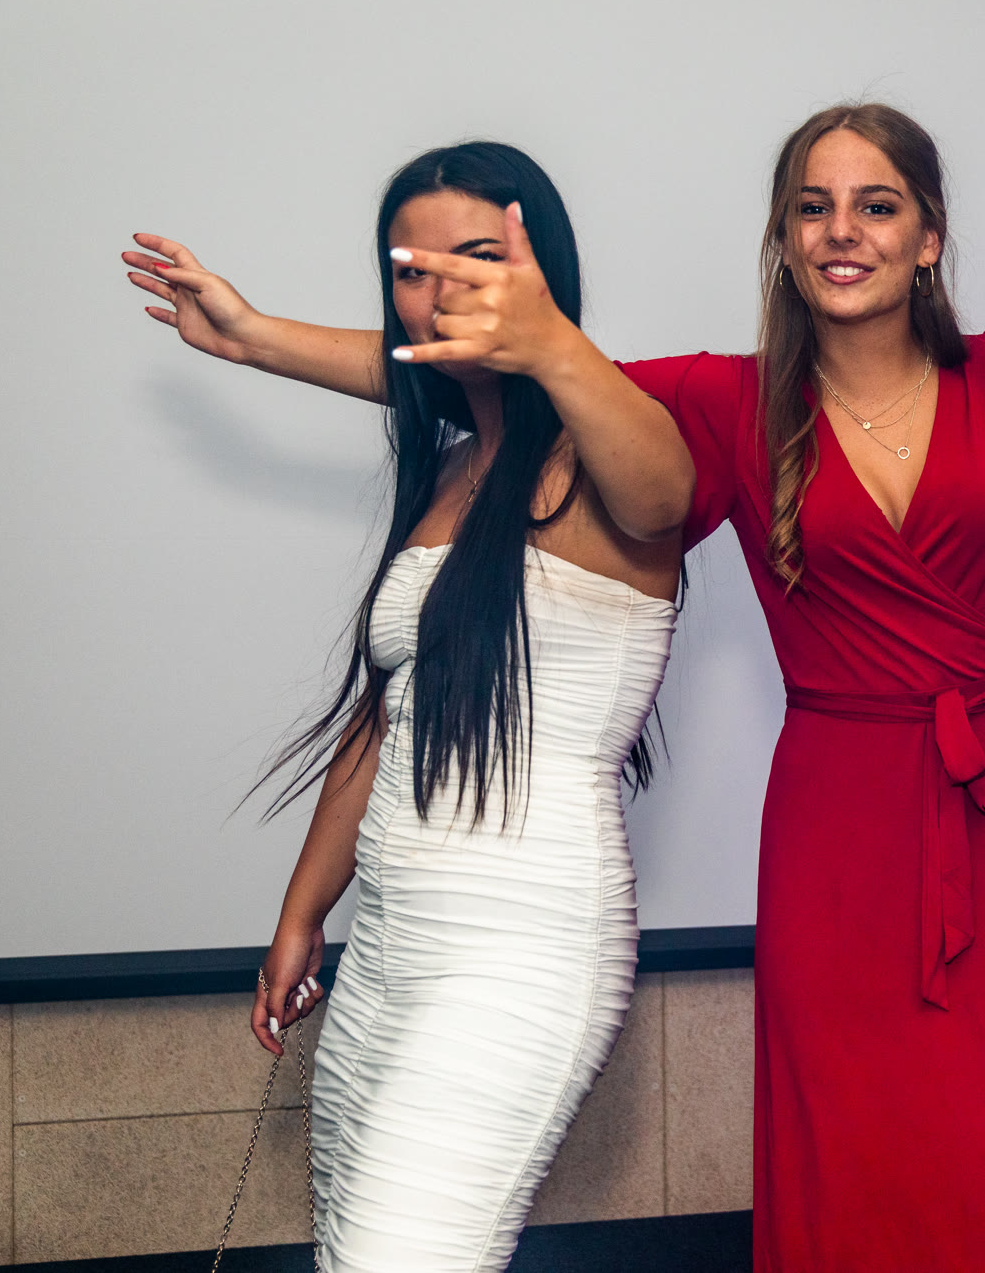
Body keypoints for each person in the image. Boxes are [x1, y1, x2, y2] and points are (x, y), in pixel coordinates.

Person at [123, 108, 985, 1272]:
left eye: (877, 205)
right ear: (784, 241)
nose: (844, 230)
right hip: (839, 823)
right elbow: (471, 367)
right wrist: (255, 338)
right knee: (861, 1138)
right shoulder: (728, 403)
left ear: (927, 237)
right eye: (812, 207)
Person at [128, 141, 695, 1270]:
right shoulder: (449, 470)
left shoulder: (606, 459)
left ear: (541, 268)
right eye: (411, 270)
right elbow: (390, 723)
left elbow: (665, 490)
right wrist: (303, 914)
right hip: (390, 946)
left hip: (520, 954)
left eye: (477, 259)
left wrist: (550, 341)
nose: (441, 291)